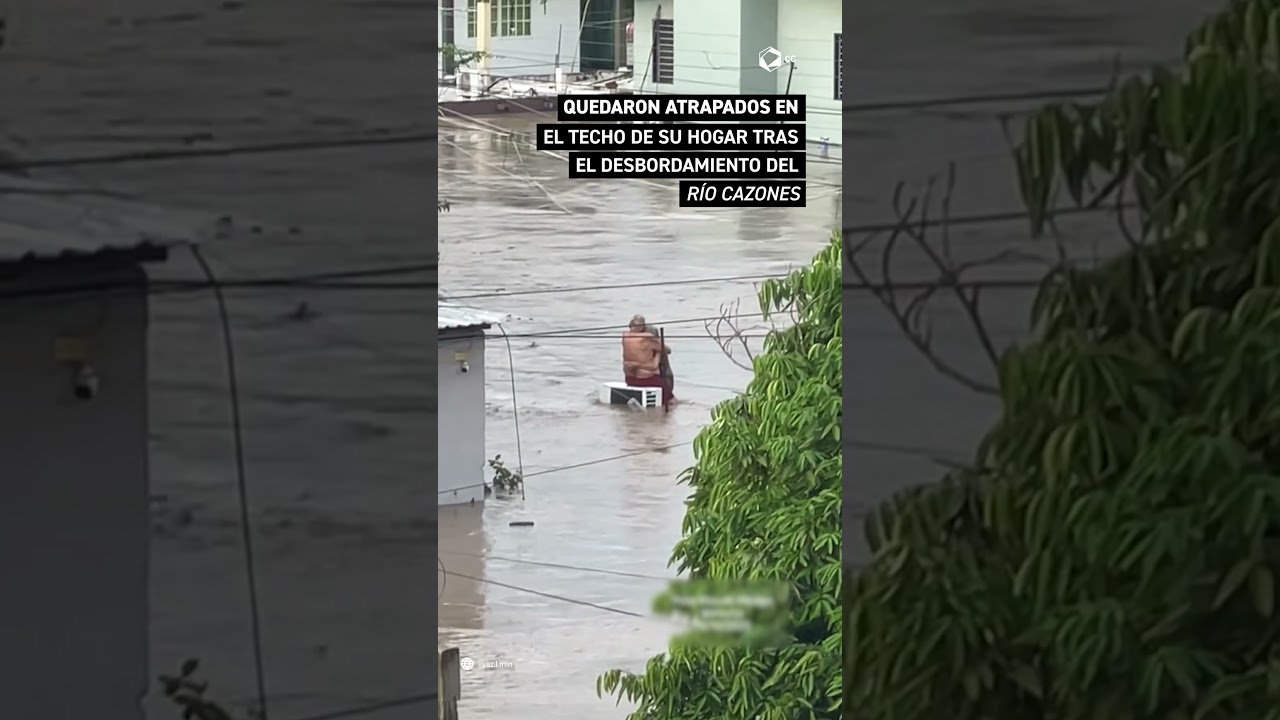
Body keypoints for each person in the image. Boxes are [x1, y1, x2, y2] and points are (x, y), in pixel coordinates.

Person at [622, 314, 675, 407]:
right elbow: (668, 351)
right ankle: (667, 419)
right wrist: (657, 352)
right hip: (648, 380)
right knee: (672, 401)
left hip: (630, 380)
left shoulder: (625, 337)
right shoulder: (648, 338)